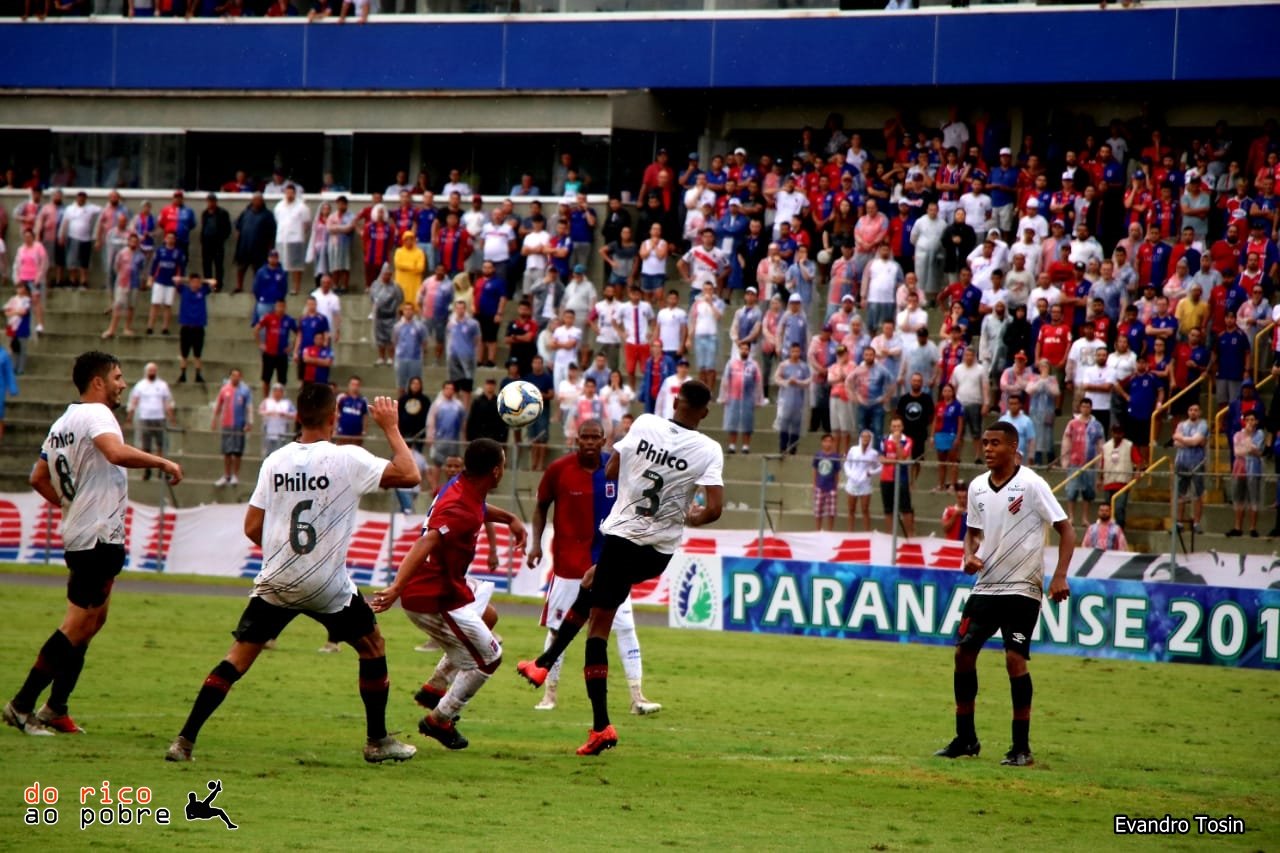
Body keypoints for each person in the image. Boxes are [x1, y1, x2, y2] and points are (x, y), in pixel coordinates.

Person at [168, 386, 420, 764]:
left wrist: (282, 556)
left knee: (237, 659)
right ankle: (377, 741)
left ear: (297, 417)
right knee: (372, 647)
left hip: (277, 580)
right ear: (334, 417)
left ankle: (184, 742)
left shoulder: (275, 461)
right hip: (326, 585)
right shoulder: (346, 458)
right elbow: (410, 474)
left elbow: (252, 525)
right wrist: (390, 427)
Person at [517, 381, 724, 756]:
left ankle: (600, 727)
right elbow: (713, 509)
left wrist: (634, 480)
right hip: (659, 551)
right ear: (705, 412)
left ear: (675, 401)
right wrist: (686, 516)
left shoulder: (645, 423)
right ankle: (544, 663)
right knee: (592, 580)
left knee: (598, 629)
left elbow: (611, 470)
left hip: (624, 536)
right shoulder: (709, 449)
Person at [6, 352, 181, 736]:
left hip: (85, 533)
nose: (123, 383)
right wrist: (162, 462)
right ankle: (21, 705)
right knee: (78, 623)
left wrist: (71, 505)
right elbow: (115, 452)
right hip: (98, 535)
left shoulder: (62, 423)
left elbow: (37, 477)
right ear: (98, 382)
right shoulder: (98, 414)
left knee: (92, 621)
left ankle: (56, 707)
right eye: (118, 377)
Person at [935, 420, 1074, 768]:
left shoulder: (1032, 484)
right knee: (963, 654)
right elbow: (972, 533)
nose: (987, 449)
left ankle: (1021, 748)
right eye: (984, 443)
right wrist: (969, 555)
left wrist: (1059, 575)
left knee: (1014, 659)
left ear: (1013, 447)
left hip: (1023, 588)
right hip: (986, 585)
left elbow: (1066, 529)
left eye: (995, 443)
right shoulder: (978, 487)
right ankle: (966, 738)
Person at [370, 438, 525, 751]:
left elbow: (477, 509)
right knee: (490, 658)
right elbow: (426, 541)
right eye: (504, 464)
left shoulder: (462, 484)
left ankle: (435, 685)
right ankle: (440, 718)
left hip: (451, 583)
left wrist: (509, 518)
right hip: (434, 596)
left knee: (489, 615)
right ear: (496, 472)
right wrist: (397, 587)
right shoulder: (460, 508)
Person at [524, 420, 661, 714]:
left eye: (594, 437)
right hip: (568, 568)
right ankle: (549, 694)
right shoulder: (558, 469)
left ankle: (638, 696)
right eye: (583, 437)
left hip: (609, 566)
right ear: (576, 439)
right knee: (558, 630)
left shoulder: (617, 468)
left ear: (604, 440)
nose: (588, 442)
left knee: (625, 629)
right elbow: (540, 507)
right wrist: (535, 543)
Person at [125, 362, 175, 481]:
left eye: (154, 371)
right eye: (150, 371)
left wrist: (171, 416)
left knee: (161, 445)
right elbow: (134, 401)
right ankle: (147, 471)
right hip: (145, 418)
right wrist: (130, 416)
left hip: (159, 418)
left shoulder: (162, 385)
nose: (152, 373)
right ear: (146, 372)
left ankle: (162, 470)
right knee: (146, 446)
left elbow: (167, 402)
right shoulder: (140, 386)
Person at [1060, 399, 1104, 526]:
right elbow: (1066, 442)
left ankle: (1085, 518)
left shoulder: (1097, 425)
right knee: (1071, 490)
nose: (1085, 408)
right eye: (1083, 406)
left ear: (1091, 408)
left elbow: (1100, 445)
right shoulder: (1072, 423)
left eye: (1087, 406)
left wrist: (1100, 462)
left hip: (1090, 462)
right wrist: (1065, 460)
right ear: (1080, 408)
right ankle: (1071, 517)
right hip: (1074, 460)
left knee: (1088, 492)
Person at [718, 340, 764, 454]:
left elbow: (758, 382)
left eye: (746, 349)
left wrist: (759, 399)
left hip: (748, 398)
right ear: (739, 350)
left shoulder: (753, 365)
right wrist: (723, 396)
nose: (744, 351)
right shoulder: (732, 363)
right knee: (732, 421)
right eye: (742, 349)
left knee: (747, 422)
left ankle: (745, 446)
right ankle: (732, 445)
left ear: (749, 350)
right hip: (733, 396)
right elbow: (725, 380)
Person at [211, 368, 252, 488]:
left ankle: (235, 475)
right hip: (227, 424)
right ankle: (226, 474)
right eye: (233, 375)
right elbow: (219, 405)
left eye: (238, 376)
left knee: (237, 451)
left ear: (241, 377)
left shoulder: (245, 390)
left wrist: (249, 422)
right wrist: (214, 420)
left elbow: (249, 407)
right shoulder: (224, 389)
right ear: (230, 377)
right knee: (227, 451)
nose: (235, 378)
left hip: (239, 424)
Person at [1173, 403, 1209, 533]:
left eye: (1196, 410)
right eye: (1190, 409)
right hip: (1181, 462)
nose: (1193, 412)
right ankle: (1178, 522)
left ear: (1200, 412)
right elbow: (1176, 442)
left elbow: (1195, 441)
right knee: (1180, 493)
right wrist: (1192, 441)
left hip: (1197, 462)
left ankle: (1196, 523)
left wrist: (1182, 439)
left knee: (1197, 494)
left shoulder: (1203, 424)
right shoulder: (1181, 425)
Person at [1228, 411, 1265, 538]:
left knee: (1253, 498)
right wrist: (1249, 448)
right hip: (1239, 468)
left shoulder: (1259, 434)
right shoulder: (1237, 434)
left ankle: (1253, 528)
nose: (1250, 422)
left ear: (1256, 421)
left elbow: (1258, 450)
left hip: (1253, 468)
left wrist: (1248, 441)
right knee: (1238, 498)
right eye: (1247, 419)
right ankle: (1237, 526)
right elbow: (1237, 452)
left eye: (1252, 419)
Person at [879, 415, 915, 537]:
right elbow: (881, 459)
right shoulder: (884, 439)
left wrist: (897, 443)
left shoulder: (908, 440)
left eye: (898, 426)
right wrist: (895, 461)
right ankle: (889, 535)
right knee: (888, 509)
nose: (896, 429)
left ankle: (910, 534)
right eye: (894, 426)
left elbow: (903, 457)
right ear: (890, 427)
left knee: (906, 508)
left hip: (901, 478)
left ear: (902, 427)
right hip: (886, 478)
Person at [176, 273, 214, 384]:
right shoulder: (184, 290)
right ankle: (183, 374)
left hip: (198, 327)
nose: (195, 284)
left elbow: (214, 284)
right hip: (186, 327)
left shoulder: (203, 291)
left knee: (197, 354)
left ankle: (198, 375)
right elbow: (176, 280)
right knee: (184, 354)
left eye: (198, 282)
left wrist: (204, 281)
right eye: (193, 282)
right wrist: (186, 279)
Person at [843, 429, 880, 532]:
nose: (865, 438)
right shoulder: (853, 449)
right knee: (851, 509)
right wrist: (850, 474)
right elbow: (847, 463)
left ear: (870, 439)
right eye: (863, 436)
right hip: (852, 482)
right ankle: (850, 532)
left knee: (865, 509)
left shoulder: (873, 453)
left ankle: (867, 533)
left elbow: (880, 466)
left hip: (865, 483)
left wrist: (871, 472)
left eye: (867, 437)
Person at [370, 267, 405, 367]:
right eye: (385, 274)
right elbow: (372, 298)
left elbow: (400, 299)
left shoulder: (396, 287)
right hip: (379, 315)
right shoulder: (375, 285)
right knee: (380, 338)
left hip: (392, 315)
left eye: (389, 274)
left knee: (391, 338)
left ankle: (391, 358)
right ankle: (381, 357)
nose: (387, 276)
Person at [259, 382, 296, 457]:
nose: (278, 393)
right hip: (269, 433)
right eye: (276, 391)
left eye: (280, 391)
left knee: (280, 455)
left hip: (282, 433)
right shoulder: (267, 401)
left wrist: (285, 414)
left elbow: (295, 414)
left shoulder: (287, 403)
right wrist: (268, 413)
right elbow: (260, 411)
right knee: (268, 454)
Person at [812, 433, 840, 531]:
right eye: (826, 441)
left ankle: (830, 531)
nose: (828, 443)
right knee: (818, 511)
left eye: (830, 441)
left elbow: (837, 472)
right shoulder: (818, 455)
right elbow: (815, 470)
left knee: (831, 512)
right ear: (822, 442)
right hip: (820, 486)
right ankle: (817, 530)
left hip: (831, 486)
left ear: (832, 443)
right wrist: (815, 484)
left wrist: (836, 486)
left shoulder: (835, 456)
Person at [336, 377, 369, 446]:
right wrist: (334, 429)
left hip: (357, 433)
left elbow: (365, 416)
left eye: (357, 385)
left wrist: (364, 430)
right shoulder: (342, 397)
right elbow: (336, 413)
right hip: (342, 431)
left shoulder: (363, 400)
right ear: (349, 385)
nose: (354, 387)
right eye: (353, 384)